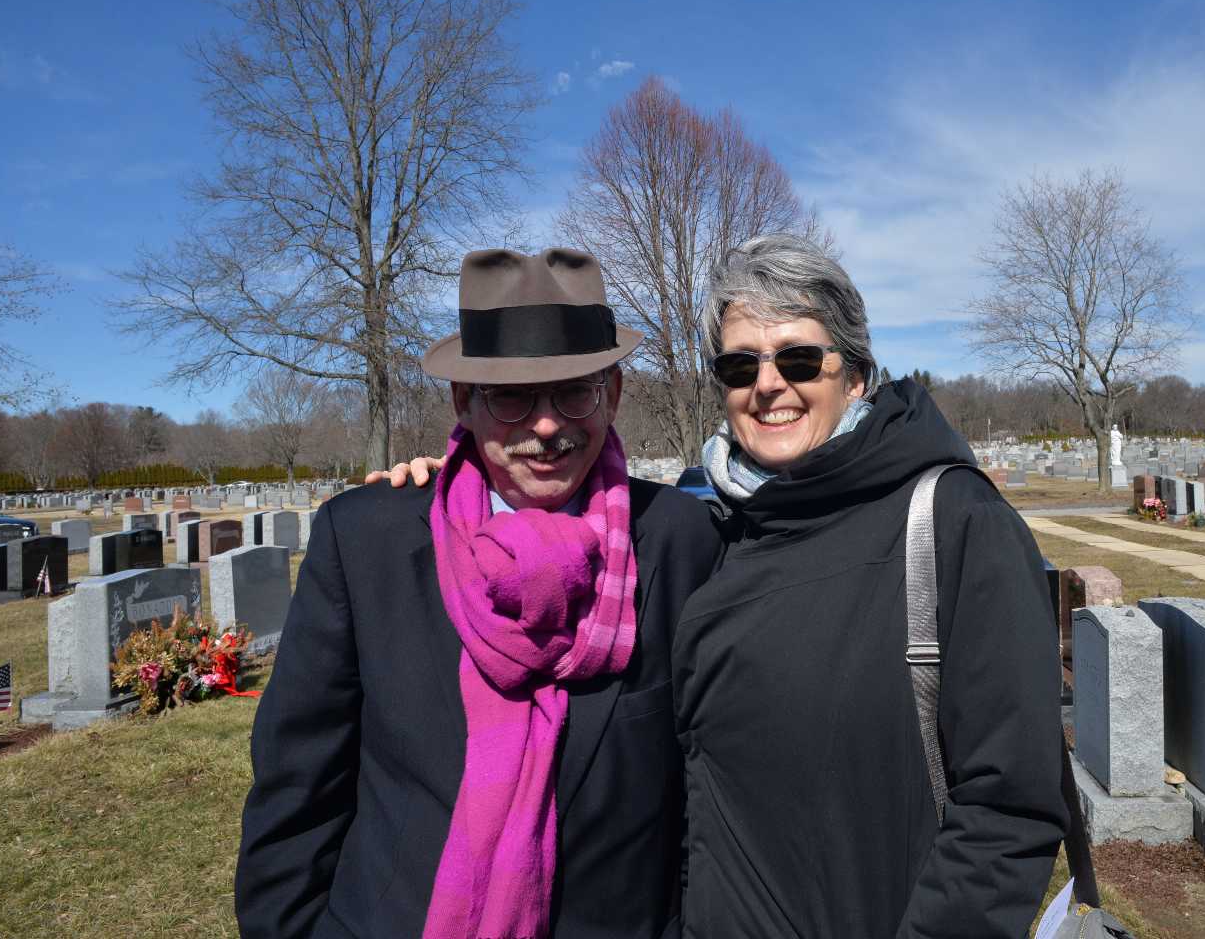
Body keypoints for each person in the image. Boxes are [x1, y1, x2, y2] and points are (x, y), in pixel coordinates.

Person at [382, 236, 1069, 937]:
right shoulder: (723, 532)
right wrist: (458, 487)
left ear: (857, 376)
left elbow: (1009, 806)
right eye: (740, 366)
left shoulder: (952, 523)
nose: (767, 385)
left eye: (799, 359)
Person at [235, 247, 721, 939]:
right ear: (464, 400)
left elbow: (707, 792)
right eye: (512, 396)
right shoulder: (368, 543)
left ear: (612, 394)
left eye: (575, 391)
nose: (547, 426)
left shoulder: (681, 541)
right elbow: (297, 792)